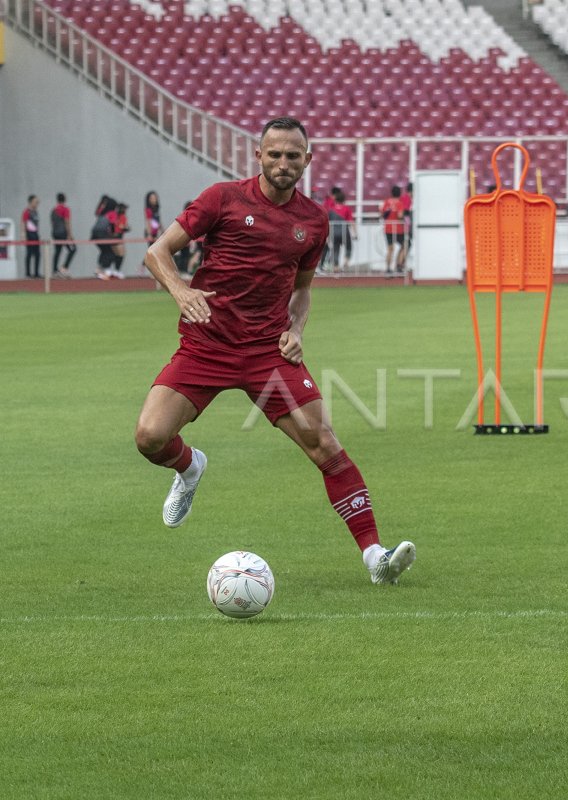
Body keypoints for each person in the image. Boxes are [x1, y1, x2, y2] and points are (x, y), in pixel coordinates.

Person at [134, 116, 416, 586]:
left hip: (268, 352)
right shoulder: (222, 198)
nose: (283, 163)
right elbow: (156, 252)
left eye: (292, 155)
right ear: (259, 156)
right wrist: (183, 293)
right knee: (149, 438)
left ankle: (375, 557)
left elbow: (302, 290)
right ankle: (189, 467)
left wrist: (298, 328)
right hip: (206, 346)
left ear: (307, 159)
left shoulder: (313, 221)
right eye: (275, 154)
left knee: (324, 443)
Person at [379, 184, 407, 276]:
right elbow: (399, 216)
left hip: (387, 228)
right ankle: (398, 266)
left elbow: (381, 214)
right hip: (398, 228)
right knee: (405, 245)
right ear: (399, 194)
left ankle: (388, 268)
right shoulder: (399, 203)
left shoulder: (386, 202)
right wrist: (404, 218)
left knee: (390, 249)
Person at [327, 188, 355, 272]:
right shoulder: (346, 208)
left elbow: (328, 223)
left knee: (335, 249)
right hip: (344, 232)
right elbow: (351, 221)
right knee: (349, 247)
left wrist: (327, 235)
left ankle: (336, 267)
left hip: (334, 232)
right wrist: (355, 233)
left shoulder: (331, 210)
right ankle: (346, 262)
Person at [51, 193, 76, 278]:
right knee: (73, 249)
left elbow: (53, 223)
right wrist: (69, 234)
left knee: (57, 251)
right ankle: (64, 268)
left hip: (55, 233)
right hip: (63, 233)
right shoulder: (65, 209)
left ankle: (54, 270)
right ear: (65, 199)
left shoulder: (54, 210)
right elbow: (66, 221)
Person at [92, 195, 118, 280]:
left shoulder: (102, 212)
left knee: (104, 251)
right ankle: (103, 270)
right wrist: (113, 235)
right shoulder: (112, 213)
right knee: (111, 253)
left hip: (94, 234)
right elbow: (112, 225)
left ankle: (99, 269)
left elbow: (97, 212)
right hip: (102, 234)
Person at [22, 195, 41, 279]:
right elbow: (23, 223)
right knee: (29, 253)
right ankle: (28, 273)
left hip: (35, 234)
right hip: (29, 234)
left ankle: (36, 273)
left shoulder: (35, 212)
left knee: (37, 254)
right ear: (30, 202)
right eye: (35, 202)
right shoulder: (27, 212)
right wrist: (23, 235)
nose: (37, 203)